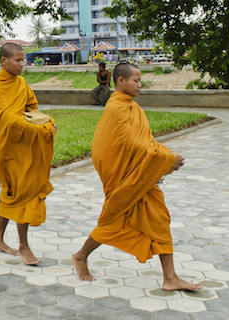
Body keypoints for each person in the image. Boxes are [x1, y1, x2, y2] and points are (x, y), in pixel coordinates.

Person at [72, 63, 202, 291]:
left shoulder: (133, 108)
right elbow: (122, 146)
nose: (140, 85)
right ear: (121, 81)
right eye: (136, 81)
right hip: (125, 179)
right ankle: (81, 255)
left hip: (140, 178)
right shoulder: (116, 109)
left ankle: (170, 277)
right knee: (112, 221)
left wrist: (165, 157)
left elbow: (146, 142)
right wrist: (168, 159)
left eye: (140, 81)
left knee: (159, 219)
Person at [0, 43, 57, 265]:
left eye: (23, 60)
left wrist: (45, 120)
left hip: (25, 147)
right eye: (17, 60)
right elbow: (7, 120)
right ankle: (24, 246)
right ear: (4, 61)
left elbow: (31, 108)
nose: (22, 64)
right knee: (22, 192)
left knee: (12, 192)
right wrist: (39, 127)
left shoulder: (21, 83)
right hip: (8, 149)